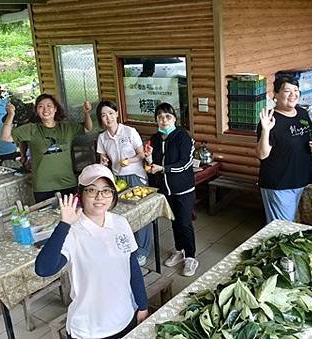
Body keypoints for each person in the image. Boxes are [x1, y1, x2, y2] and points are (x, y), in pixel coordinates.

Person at [34, 164, 148, 339]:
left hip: (125, 318)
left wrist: (142, 305)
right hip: (90, 330)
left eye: (106, 190)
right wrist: (64, 225)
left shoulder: (120, 222)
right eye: (92, 190)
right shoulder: (72, 231)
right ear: (81, 194)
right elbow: (44, 269)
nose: (99, 197)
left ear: (113, 194)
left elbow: (132, 267)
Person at [0, 93, 93, 202]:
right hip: (43, 187)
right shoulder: (31, 129)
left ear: (55, 109)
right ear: (36, 111)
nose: (45, 110)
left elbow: (88, 129)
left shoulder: (67, 127)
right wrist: (11, 115)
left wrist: (86, 113)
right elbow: (5, 137)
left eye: (49, 106)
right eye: (41, 106)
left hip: (67, 184)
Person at [255, 76, 312, 224]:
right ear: (276, 94)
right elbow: (262, 154)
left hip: (299, 179)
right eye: (287, 91)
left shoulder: (302, 113)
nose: (293, 94)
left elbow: (310, 137)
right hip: (279, 183)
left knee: (288, 224)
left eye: (296, 90)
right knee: (280, 228)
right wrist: (266, 130)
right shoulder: (270, 119)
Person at [144, 102, 198, 276]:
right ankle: (179, 250)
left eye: (167, 116)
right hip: (165, 189)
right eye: (160, 117)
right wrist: (148, 158)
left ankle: (191, 257)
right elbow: (151, 164)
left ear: (174, 118)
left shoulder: (183, 137)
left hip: (183, 189)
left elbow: (185, 164)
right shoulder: (155, 138)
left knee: (184, 222)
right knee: (174, 221)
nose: (164, 120)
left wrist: (163, 169)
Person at [95, 100, 152, 266]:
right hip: (117, 179)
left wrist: (129, 160)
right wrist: (104, 161)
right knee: (122, 215)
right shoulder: (102, 137)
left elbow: (141, 154)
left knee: (141, 213)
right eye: (104, 115)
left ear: (117, 114)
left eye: (111, 114)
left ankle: (142, 250)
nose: (108, 118)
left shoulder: (129, 131)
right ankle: (129, 247)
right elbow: (103, 159)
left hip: (135, 176)